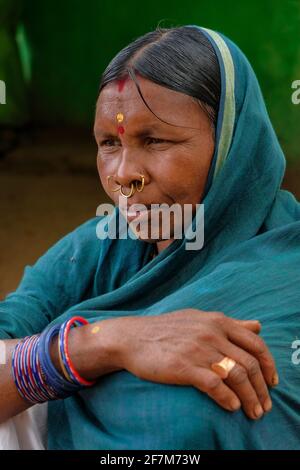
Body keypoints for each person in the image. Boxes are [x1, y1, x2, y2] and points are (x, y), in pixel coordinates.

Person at [0, 25, 300, 450]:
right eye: (108, 143)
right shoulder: (104, 245)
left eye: (155, 139)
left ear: (232, 143)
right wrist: (106, 342)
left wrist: (51, 369)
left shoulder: (287, 275)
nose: (123, 175)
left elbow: (186, 423)